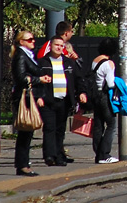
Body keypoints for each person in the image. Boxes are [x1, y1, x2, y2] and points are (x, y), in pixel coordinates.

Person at [38, 36, 85, 166]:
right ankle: (49, 155)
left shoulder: (68, 62)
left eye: (61, 45)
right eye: (56, 45)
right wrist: (39, 97)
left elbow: (78, 79)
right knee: (49, 127)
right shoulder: (42, 62)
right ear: (50, 46)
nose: (59, 48)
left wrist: (81, 93)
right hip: (48, 101)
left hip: (64, 100)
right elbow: (36, 81)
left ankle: (59, 155)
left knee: (60, 129)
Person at [11, 31, 51, 177]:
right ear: (21, 42)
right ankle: (22, 165)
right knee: (25, 130)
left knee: (28, 132)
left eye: (33, 39)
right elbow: (21, 77)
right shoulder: (21, 56)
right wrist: (39, 79)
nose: (33, 41)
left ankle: (24, 164)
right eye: (30, 40)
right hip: (24, 97)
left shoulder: (28, 55)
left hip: (30, 96)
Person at [91, 38, 119, 164]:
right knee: (111, 124)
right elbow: (110, 83)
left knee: (98, 125)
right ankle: (105, 154)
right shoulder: (109, 63)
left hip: (95, 95)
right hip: (104, 96)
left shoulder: (95, 61)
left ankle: (98, 154)